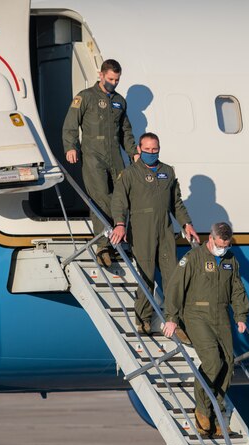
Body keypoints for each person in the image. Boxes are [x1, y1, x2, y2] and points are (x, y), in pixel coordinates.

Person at [163, 222, 249, 438]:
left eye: (227, 246)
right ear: (211, 239)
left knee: (228, 364)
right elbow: (176, 287)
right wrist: (171, 318)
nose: (223, 249)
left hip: (221, 315)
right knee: (213, 360)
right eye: (221, 245)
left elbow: (237, 290)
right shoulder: (193, 259)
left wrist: (240, 316)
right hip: (196, 314)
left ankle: (218, 417)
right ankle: (202, 410)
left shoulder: (231, 261)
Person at [110, 132, 200, 337]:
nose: (151, 153)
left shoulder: (167, 172)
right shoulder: (130, 173)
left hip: (165, 230)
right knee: (146, 275)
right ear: (139, 149)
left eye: (155, 149)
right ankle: (143, 318)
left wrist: (187, 224)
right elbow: (119, 201)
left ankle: (174, 321)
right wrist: (120, 224)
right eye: (147, 149)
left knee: (173, 277)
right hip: (142, 230)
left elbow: (176, 203)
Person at [62, 59, 138, 267]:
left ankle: (121, 240)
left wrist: (133, 152)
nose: (114, 83)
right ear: (101, 75)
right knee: (101, 197)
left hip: (115, 155)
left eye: (117, 79)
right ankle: (103, 245)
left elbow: (126, 131)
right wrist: (71, 146)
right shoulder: (85, 97)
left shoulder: (119, 102)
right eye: (111, 79)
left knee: (122, 196)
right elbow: (70, 124)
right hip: (93, 155)